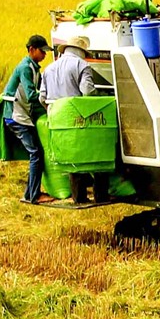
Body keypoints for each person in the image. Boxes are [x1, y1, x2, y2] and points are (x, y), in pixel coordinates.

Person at [41, 33, 108, 203]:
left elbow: (42, 98)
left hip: (58, 121)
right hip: (78, 119)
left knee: (73, 159)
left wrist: (55, 111)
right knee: (97, 155)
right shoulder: (81, 65)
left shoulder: (49, 68)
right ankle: (101, 196)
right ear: (81, 51)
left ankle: (79, 198)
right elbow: (87, 91)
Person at [2, 34, 49, 203]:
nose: (45, 55)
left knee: (36, 152)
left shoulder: (34, 68)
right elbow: (31, 95)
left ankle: (29, 194)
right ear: (32, 50)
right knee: (35, 153)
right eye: (42, 51)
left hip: (23, 115)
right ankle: (33, 196)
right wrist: (48, 105)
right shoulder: (25, 68)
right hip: (15, 116)